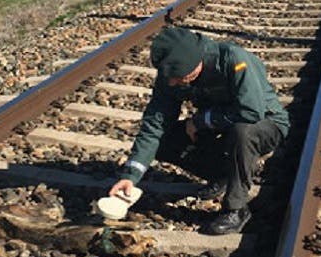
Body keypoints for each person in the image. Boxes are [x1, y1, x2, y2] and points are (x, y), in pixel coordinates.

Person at [108, 26, 290, 235]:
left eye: (177, 76)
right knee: (165, 139)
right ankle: (222, 175)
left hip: (265, 124)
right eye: (169, 77)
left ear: (196, 63)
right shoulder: (171, 75)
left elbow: (251, 111)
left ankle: (236, 209)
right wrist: (130, 176)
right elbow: (155, 125)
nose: (172, 82)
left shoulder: (234, 59)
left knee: (242, 132)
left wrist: (201, 120)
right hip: (222, 124)